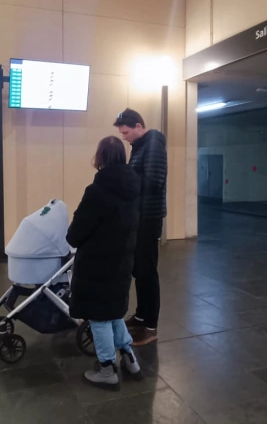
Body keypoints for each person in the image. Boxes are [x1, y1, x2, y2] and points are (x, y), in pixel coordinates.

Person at [67, 136, 142, 389]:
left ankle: (107, 368)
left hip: (97, 266)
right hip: (122, 263)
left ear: (100, 158)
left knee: (99, 317)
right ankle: (130, 359)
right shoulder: (133, 188)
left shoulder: (97, 191)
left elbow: (75, 234)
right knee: (114, 312)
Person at [114, 108, 167, 346]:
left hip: (148, 217)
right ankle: (141, 315)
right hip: (140, 215)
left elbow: (154, 181)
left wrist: (127, 182)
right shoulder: (141, 146)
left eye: (126, 132)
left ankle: (150, 326)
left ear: (138, 126)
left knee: (147, 271)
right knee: (139, 270)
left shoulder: (153, 142)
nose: (124, 137)